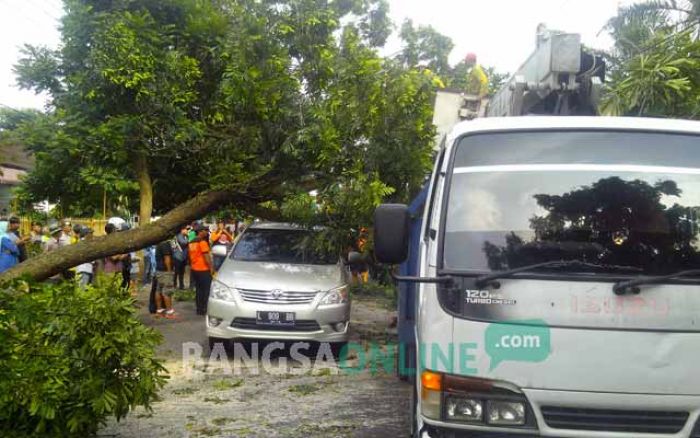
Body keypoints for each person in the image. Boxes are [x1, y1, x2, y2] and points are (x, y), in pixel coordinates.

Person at [188, 225, 214, 315]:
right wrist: (211, 268)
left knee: (199, 290)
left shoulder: (191, 242)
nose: (207, 232)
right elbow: (206, 257)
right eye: (205, 230)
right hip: (203, 269)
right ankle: (205, 309)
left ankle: (199, 309)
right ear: (200, 232)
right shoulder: (202, 242)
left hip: (194, 269)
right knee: (206, 290)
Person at [153, 238, 177, 318]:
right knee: (167, 291)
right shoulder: (165, 244)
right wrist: (169, 271)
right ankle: (169, 312)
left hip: (159, 270)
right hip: (165, 271)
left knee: (158, 290)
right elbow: (167, 258)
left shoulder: (159, 243)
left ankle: (159, 310)